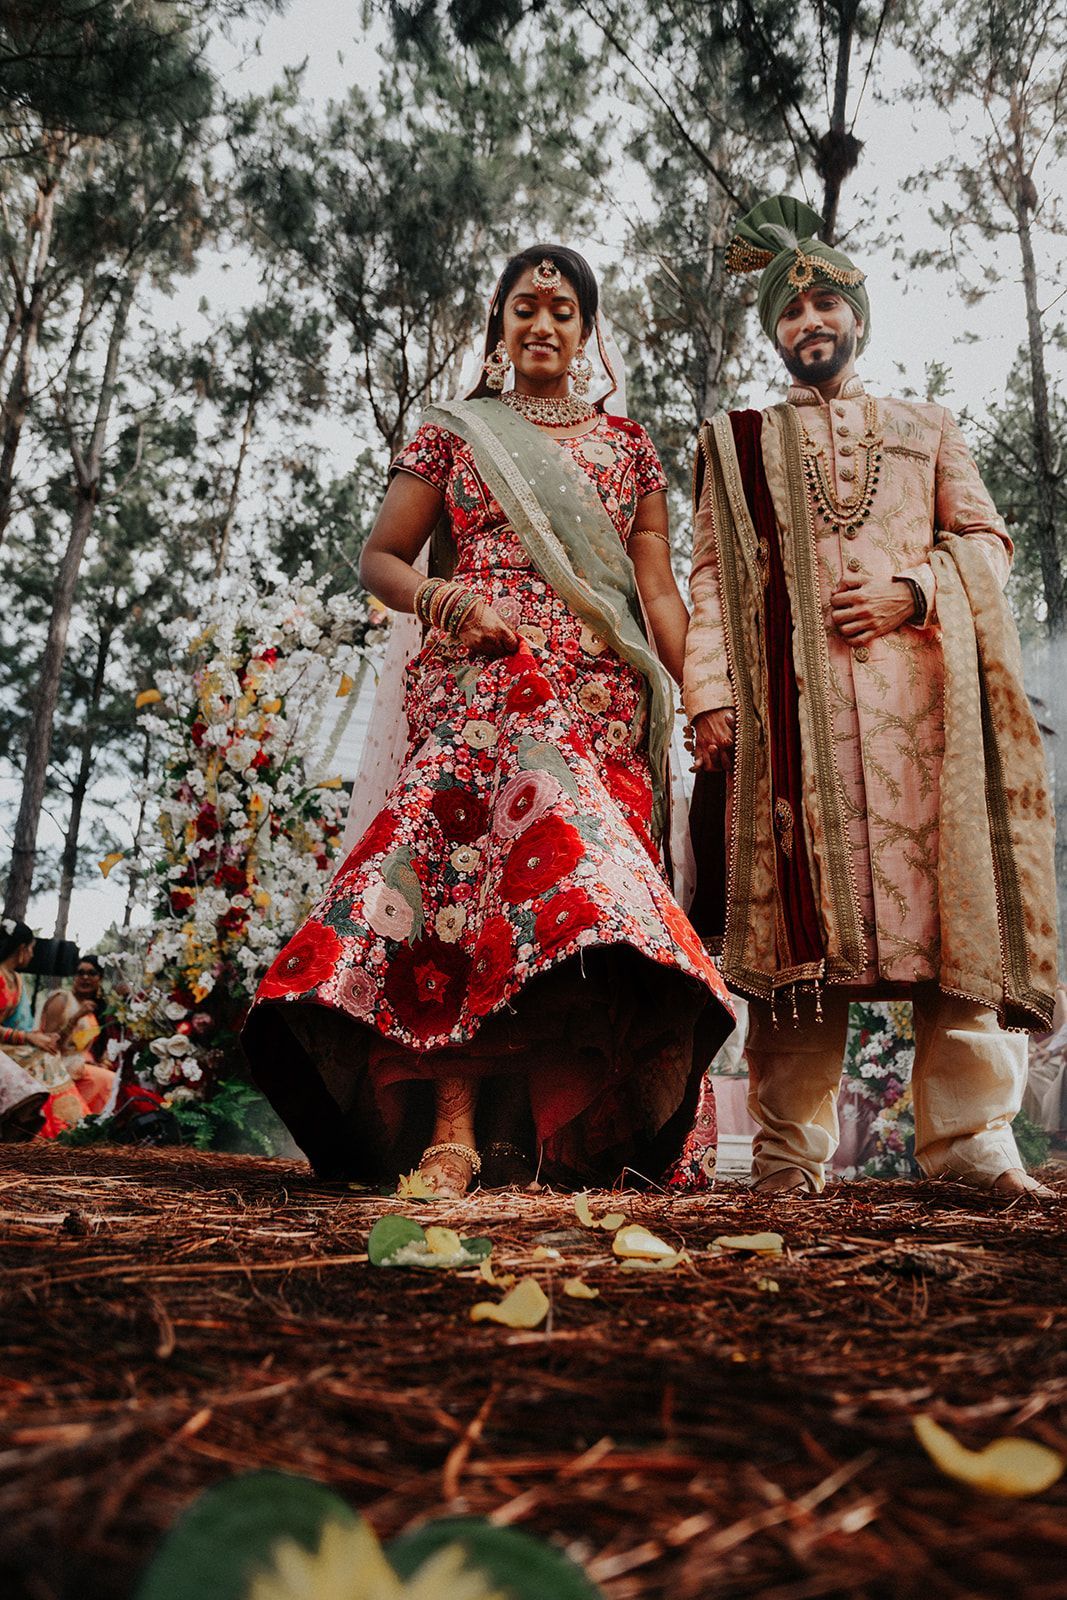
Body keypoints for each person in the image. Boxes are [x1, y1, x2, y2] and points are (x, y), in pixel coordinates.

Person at [244, 244, 733, 1197]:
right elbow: (382, 557)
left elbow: (655, 590)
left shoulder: (629, 447)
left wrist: (703, 691)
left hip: (599, 695)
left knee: (575, 919)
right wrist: (449, 606)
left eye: (561, 309)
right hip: (482, 677)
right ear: (499, 326)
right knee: (463, 900)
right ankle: (452, 1133)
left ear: (588, 333)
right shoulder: (454, 432)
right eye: (523, 307)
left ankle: (552, 1134)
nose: (541, 323)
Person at [683, 195, 1059, 1200]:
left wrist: (913, 591)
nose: (807, 320)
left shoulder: (925, 428)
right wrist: (709, 693)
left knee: (954, 934)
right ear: (772, 332)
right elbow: (712, 578)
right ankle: (784, 1155)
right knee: (799, 943)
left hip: (923, 730)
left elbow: (984, 543)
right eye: (788, 309)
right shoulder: (734, 442)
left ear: (857, 316)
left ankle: (970, 1144)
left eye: (823, 302)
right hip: (791, 731)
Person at [38, 954, 118, 1126]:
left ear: (100, 978)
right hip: (56, 1065)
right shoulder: (61, 999)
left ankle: (93, 1127)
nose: (85, 977)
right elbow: (48, 1044)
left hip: (80, 1065)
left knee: (111, 1080)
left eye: (91, 973)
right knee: (109, 1081)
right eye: (80, 972)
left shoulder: (97, 1007)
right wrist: (75, 1017)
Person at [0, 918, 57, 1141]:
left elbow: (22, 1025)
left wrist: (39, 1037)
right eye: (32, 948)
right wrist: (30, 1038)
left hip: (7, 1045)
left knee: (46, 1054)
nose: (33, 955)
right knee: (42, 1059)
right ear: (22, 948)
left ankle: (60, 1129)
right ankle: (45, 1134)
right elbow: (21, 1033)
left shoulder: (17, 980)